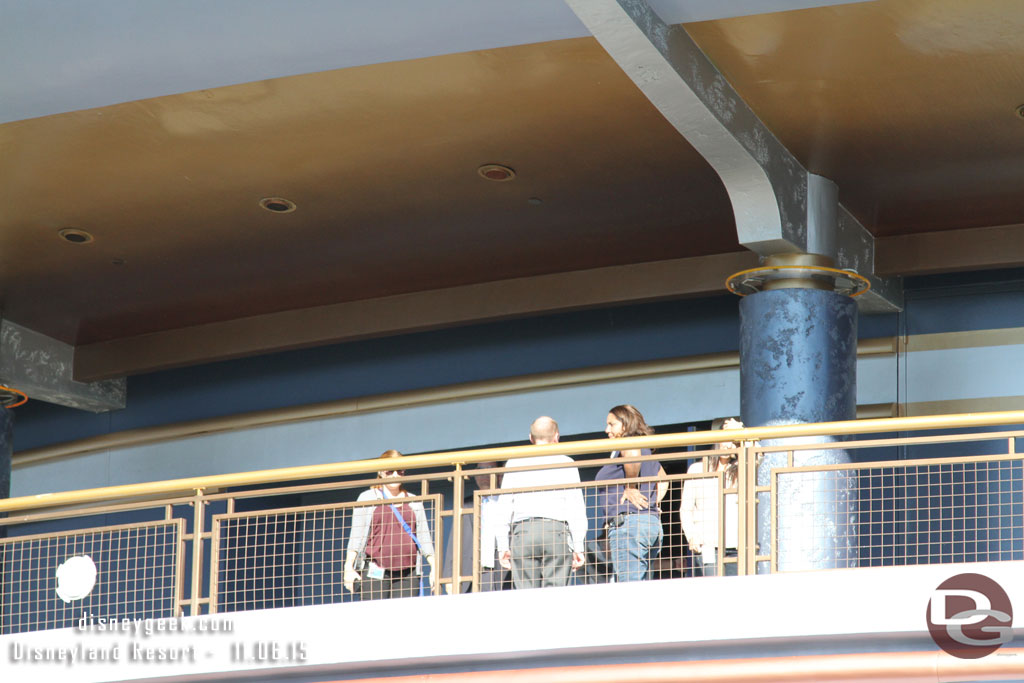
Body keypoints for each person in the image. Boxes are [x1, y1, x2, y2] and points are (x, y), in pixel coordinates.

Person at [495, 416, 588, 589]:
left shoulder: (514, 462)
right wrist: (578, 547)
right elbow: (575, 507)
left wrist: (502, 546)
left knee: (526, 594)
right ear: (557, 437)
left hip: (522, 533)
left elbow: (504, 506)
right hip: (556, 532)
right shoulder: (566, 462)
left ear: (531, 437)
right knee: (556, 594)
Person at [343, 450, 437, 600]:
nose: (395, 475)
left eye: (400, 471)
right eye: (390, 471)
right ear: (381, 472)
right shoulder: (367, 498)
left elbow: (424, 537)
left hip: (408, 572)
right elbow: (356, 535)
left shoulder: (414, 501)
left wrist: (434, 567)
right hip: (376, 568)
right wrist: (348, 567)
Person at [595, 404, 667, 582]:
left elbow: (632, 453)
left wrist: (631, 486)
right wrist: (653, 501)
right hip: (648, 523)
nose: (607, 430)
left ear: (625, 426)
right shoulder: (645, 449)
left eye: (612, 424)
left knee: (628, 587)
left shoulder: (629, 443)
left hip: (630, 525)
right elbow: (663, 478)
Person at [680, 417, 741, 577]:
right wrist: (691, 535)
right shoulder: (697, 469)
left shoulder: (743, 469)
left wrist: (741, 431)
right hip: (707, 543)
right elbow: (686, 509)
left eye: (734, 440)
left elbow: (759, 456)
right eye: (726, 438)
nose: (729, 445)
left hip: (736, 545)